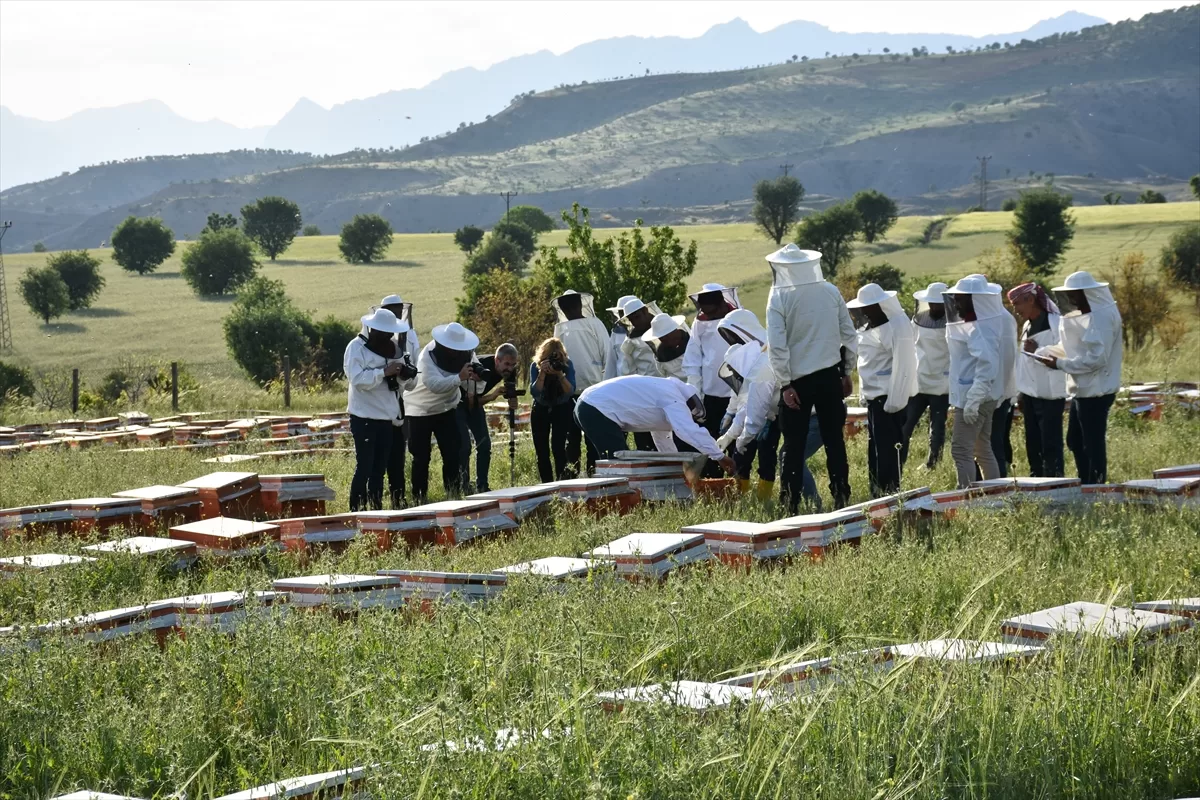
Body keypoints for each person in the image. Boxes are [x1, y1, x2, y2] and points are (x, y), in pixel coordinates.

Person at [765, 244, 857, 512]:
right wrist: (847, 371)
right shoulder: (830, 291)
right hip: (830, 377)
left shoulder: (778, 297)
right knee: (834, 441)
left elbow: (777, 345)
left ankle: (790, 505)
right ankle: (841, 497)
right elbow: (849, 335)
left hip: (797, 381)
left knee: (793, 446)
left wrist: (785, 384)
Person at [1033, 271, 1124, 484]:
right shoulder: (1087, 316)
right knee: (1075, 440)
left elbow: (1096, 359)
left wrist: (1060, 364)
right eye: (1069, 296)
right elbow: (1072, 349)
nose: (1071, 300)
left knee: (1091, 444)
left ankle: (1095, 487)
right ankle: (1087, 483)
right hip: (1083, 389)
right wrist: (1045, 352)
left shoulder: (1101, 318)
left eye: (1075, 295)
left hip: (1096, 391)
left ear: (1087, 294)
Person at [574, 375, 737, 475]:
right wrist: (720, 456)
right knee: (618, 465)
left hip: (587, 404)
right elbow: (688, 431)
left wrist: (675, 467)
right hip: (596, 407)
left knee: (616, 462)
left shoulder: (663, 390)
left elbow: (662, 440)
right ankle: (616, 507)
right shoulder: (674, 399)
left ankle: (614, 503)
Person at [943, 275, 1015, 489]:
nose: (956, 303)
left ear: (974, 299)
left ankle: (966, 498)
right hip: (982, 395)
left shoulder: (981, 328)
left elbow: (988, 365)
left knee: (961, 450)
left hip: (973, 397)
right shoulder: (982, 324)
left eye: (960, 299)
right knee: (982, 448)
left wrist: (973, 400)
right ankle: (994, 495)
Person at [847, 283, 919, 496]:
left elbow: (904, 364)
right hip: (875, 398)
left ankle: (890, 494)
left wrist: (895, 400)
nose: (865, 311)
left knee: (887, 450)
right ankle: (876, 493)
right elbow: (868, 361)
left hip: (888, 398)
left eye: (869, 306)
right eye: (863, 307)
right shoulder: (873, 326)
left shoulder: (897, 326)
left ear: (881, 305)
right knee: (876, 449)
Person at [344, 308, 416, 511]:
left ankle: (376, 511)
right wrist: (384, 372)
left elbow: (407, 385)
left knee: (379, 471)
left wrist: (403, 375)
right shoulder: (356, 348)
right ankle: (356, 511)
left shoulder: (395, 349)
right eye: (383, 332)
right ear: (372, 329)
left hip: (387, 418)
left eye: (389, 332)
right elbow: (357, 379)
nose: (387, 336)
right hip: (364, 417)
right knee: (364, 467)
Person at [404, 322, 479, 503]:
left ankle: (452, 496)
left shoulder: (467, 353)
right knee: (422, 457)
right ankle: (419, 498)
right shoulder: (426, 357)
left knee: (453, 453)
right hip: (419, 411)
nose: (456, 352)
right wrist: (459, 377)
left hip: (446, 409)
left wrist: (476, 379)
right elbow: (434, 386)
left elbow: (476, 380)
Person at [1009, 282, 1067, 477]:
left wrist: (1039, 351)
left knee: (1051, 443)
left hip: (1051, 394)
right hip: (1031, 395)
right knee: (1033, 442)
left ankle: (1055, 480)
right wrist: (1021, 393)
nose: (1016, 310)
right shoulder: (1026, 325)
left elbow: (1066, 350)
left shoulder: (1056, 323)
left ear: (1031, 299)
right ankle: (1037, 481)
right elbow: (1024, 361)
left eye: (1017, 304)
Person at [553, 290, 611, 475]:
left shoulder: (595, 324)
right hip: (569, 390)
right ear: (562, 308)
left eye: (571, 304)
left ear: (579, 305)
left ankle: (594, 475)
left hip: (595, 389)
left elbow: (608, 355)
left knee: (592, 435)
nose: (569, 309)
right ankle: (574, 476)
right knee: (572, 437)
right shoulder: (560, 329)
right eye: (566, 306)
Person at [376, 294, 420, 509]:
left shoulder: (409, 335)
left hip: (398, 399)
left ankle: (398, 498)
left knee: (398, 456)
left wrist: (404, 375)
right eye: (390, 308)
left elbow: (413, 364)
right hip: (375, 402)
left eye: (397, 308)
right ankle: (374, 501)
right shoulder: (371, 333)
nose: (394, 312)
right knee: (376, 460)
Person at [458, 343, 520, 494]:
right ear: (496, 360)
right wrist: (492, 396)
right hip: (458, 402)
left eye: (513, 365)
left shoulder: (510, 371)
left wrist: (512, 399)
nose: (509, 369)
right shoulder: (480, 366)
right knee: (464, 447)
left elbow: (510, 390)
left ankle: (483, 486)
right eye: (506, 364)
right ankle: (464, 486)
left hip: (477, 402)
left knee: (484, 445)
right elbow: (471, 401)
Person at [901, 282, 950, 471]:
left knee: (936, 428)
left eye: (938, 304)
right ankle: (899, 463)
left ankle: (933, 465)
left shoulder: (954, 322)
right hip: (919, 382)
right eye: (932, 303)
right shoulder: (918, 319)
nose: (934, 307)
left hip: (942, 384)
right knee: (905, 426)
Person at [683, 283, 740, 435]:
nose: (709, 316)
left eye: (712, 312)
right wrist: (695, 394)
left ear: (722, 304)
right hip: (711, 396)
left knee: (736, 442)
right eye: (705, 312)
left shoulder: (739, 318)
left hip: (737, 393)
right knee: (712, 441)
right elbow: (693, 359)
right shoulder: (699, 322)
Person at [616, 297, 662, 451]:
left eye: (637, 317)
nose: (635, 322)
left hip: (668, 387)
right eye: (631, 319)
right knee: (645, 436)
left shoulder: (663, 326)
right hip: (645, 391)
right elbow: (626, 369)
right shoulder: (629, 342)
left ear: (645, 311)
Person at [529, 337, 577, 482]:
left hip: (561, 407)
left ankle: (562, 482)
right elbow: (535, 392)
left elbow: (570, 391)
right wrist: (542, 373)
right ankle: (547, 485)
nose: (553, 362)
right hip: (541, 408)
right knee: (542, 451)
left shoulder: (567, 365)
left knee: (559, 447)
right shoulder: (535, 366)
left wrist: (559, 373)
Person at [641, 313, 691, 382]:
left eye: (666, 335)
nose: (664, 339)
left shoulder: (692, 340)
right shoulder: (661, 353)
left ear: (674, 329)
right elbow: (663, 373)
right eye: (661, 337)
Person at [604, 295, 637, 381]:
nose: (622, 316)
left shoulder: (648, 333)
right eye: (621, 312)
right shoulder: (616, 332)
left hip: (641, 381)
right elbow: (611, 362)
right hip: (622, 381)